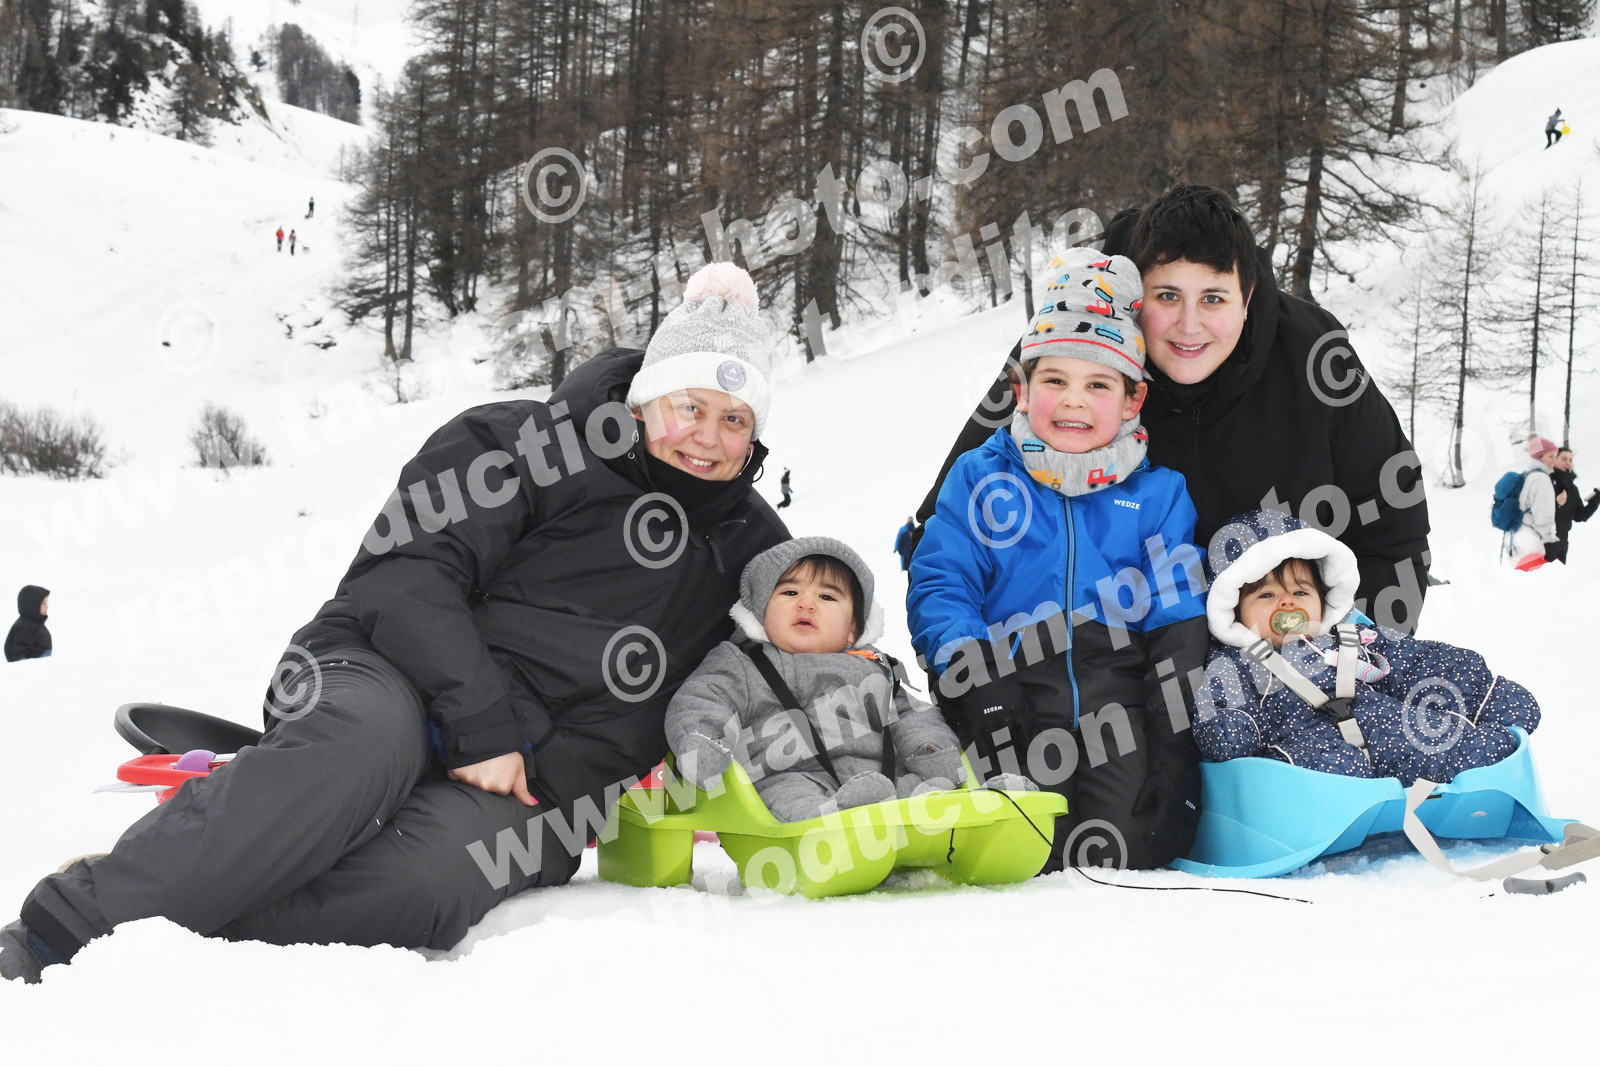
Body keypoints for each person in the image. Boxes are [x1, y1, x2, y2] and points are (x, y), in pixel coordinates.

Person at [1, 263, 789, 984]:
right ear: (647, 395)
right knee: (355, 753)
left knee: (424, 882)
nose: (708, 438)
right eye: (691, 407)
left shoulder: (754, 551)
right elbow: (408, 574)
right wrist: (485, 727)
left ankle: (190, 883)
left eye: (734, 419)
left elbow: (799, 658)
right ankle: (63, 927)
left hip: (542, 782)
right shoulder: (519, 440)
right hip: (386, 674)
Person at [919, 185, 1431, 633]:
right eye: (1167, 296)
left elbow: (1395, 528)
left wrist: (1354, 654)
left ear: (1247, 295)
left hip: (1289, 649)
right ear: (1135, 295)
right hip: (1120, 674)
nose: (1189, 326)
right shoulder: (1079, 343)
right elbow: (950, 519)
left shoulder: (1313, 358)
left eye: (1213, 299)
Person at [908, 249, 1209, 872]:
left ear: (1132, 400)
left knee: (1128, 845)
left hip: (1116, 703)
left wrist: (1174, 734)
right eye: (1055, 381)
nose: (1074, 402)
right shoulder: (982, 478)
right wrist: (977, 679)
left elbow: (1178, 611)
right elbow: (943, 581)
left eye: (1098, 384)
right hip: (1009, 693)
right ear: (1021, 390)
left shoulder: (1157, 495)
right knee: (1023, 847)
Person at [666, 537, 1027, 822]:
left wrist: (930, 749)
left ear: (853, 627)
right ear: (760, 612)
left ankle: (982, 815)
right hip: (788, 775)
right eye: (789, 592)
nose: (806, 604)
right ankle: (837, 826)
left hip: (882, 777)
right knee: (790, 794)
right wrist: (701, 745)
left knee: (924, 790)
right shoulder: (742, 662)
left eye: (826, 596)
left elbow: (912, 715)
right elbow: (703, 700)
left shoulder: (875, 666)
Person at [1195, 509, 1540, 785]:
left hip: (1386, 729)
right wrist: (1229, 727)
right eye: (1267, 595)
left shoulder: (1352, 636)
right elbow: (1220, 708)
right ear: (1235, 610)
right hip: (1306, 750)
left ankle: (1473, 781)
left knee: (1448, 740)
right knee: (1318, 770)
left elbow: (1417, 661)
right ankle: (1350, 803)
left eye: (1300, 592)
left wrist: (1484, 693)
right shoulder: (1234, 663)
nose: (1287, 603)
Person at [1506, 437, 1560, 568]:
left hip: (1515, 538)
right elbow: (1543, 514)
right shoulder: (1541, 479)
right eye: (1550, 456)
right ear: (1539, 456)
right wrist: (1550, 540)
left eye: (1555, 456)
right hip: (1531, 542)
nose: (1554, 460)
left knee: (1521, 578)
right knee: (1539, 579)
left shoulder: (1527, 476)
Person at [1547, 447, 1600, 563]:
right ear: (1554, 460)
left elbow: (1580, 516)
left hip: (1561, 547)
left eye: (1570, 460)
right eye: (1564, 459)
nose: (1568, 463)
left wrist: (1596, 499)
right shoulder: (1545, 481)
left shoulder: (1572, 488)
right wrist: (1557, 504)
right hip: (1543, 546)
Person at [4, 586, 51, 662]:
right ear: (32, 605)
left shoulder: (36, 624)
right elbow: (18, 649)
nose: (47, 607)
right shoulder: (26, 627)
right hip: (31, 667)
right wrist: (23, 664)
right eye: (43, 603)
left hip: (40, 664)